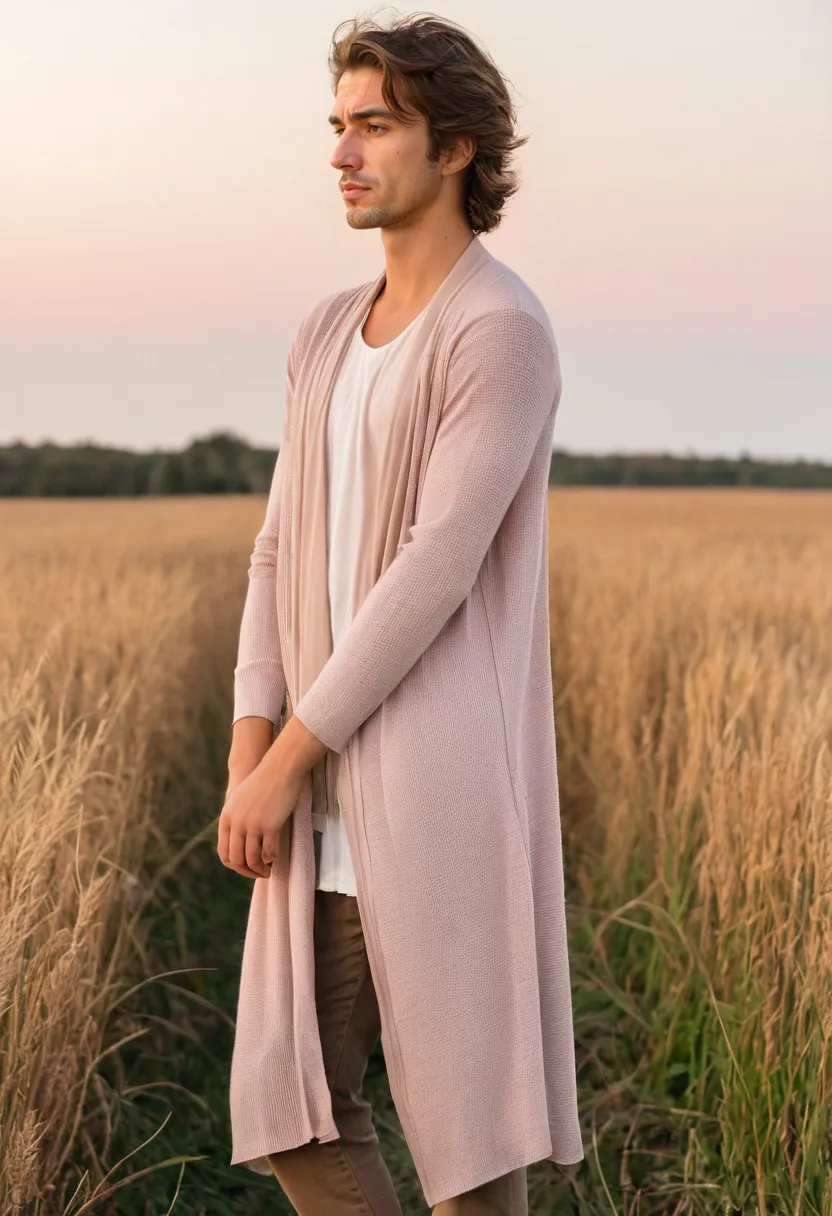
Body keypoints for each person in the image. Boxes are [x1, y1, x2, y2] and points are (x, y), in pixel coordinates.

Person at [218, 13, 584, 1214]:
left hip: (436, 787)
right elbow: (277, 548)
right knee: (300, 1109)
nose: (343, 152)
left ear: (458, 147)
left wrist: (287, 760)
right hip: (314, 792)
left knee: (472, 1156)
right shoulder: (324, 333)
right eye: (338, 126)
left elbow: (432, 571)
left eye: (375, 125)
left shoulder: (500, 330)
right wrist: (247, 752)